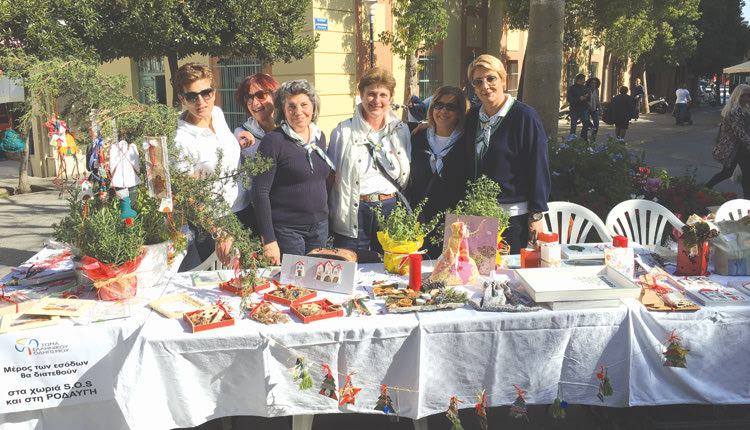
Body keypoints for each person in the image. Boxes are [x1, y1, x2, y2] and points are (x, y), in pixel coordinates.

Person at [461, 54, 551, 254]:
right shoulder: (473, 117)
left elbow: (538, 166)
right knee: (478, 277)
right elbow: (446, 127)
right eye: (478, 82)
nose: (485, 86)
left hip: (512, 217)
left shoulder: (524, 117)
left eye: (491, 78)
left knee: (505, 278)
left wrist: (536, 214)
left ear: (503, 79)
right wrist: (425, 128)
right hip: (476, 213)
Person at [172, 63, 248, 270]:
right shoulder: (181, 141)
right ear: (181, 98)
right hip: (212, 223)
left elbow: (219, 152)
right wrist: (217, 231)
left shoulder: (218, 114)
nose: (201, 101)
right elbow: (186, 195)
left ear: (214, 92)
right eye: (191, 96)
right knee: (219, 286)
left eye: (206, 93)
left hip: (242, 209)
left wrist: (238, 140)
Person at [327, 67, 411, 252]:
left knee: (389, 271)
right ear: (361, 95)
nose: (377, 101)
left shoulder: (400, 130)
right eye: (371, 94)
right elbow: (331, 177)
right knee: (352, 269)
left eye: (383, 95)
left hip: (391, 209)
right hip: (354, 212)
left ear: (390, 98)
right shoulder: (343, 131)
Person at [251, 80, 334, 265]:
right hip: (288, 231)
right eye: (291, 106)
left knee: (316, 283)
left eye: (304, 105)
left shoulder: (319, 137)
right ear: (283, 110)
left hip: (320, 228)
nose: (298, 112)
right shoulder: (273, 142)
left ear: (313, 106)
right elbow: (259, 192)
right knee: (293, 285)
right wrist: (269, 239)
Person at [408, 85, 468, 258]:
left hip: (454, 221)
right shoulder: (417, 136)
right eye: (438, 105)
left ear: (460, 112)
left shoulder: (467, 141)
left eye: (451, 107)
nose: (443, 111)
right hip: (420, 219)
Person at [231, 73, 280, 234]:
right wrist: (233, 146)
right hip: (257, 214)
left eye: (261, 95)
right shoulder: (241, 135)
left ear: (274, 96)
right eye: (249, 98)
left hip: (289, 213)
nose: (254, 103)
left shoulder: (290, 130)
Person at [706, 84, 750, 195]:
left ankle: (706, 187)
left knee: (738, 173)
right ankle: (706, 188)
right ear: (740, 96)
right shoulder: (733, 112)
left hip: (743, 148)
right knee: (730, 173)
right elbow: (739, 131)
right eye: (748, 95)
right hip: (735, 148)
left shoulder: (746, 109)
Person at [566, 73, 590, 137]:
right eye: (583, 79)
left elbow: (588, 97)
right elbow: (569, 99)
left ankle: (583, 138)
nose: (584, 81)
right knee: (573, 126)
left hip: (583, 109)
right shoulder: (572, 88)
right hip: (574, 109)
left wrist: (586, 98)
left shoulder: (585, 88)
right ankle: (572, 140)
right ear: (579, 80)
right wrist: (579, 98)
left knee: (586, 124)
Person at [585, 77, 602, 141]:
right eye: (592, 83)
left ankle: (593, 138)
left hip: (594, 109)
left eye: (595, 83)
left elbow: (598, 100)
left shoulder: (596, 90)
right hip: (587, 109)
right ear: (589, 83)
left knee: (597, 124)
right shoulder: (586, 90)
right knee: (586, 123)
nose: (594, 84)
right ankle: (585, 137)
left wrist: (600, 109)